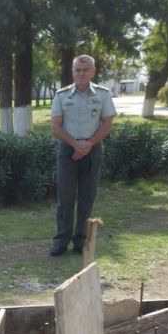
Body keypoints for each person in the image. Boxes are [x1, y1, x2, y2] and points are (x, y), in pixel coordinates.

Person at [50, 54, 116, 256]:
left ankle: (81, 241)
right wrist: (76, 145)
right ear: (72, 71)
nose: (80, 73)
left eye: (85, 69)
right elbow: (55, 127)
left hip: (92, 149)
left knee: (87, 197)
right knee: (66, 198)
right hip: (67, 150)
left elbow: (107, 124)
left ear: (93, 72)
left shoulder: (103, 95)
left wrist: (87, 145)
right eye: (77, 70)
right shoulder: (61, 96)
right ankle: (61, 241)